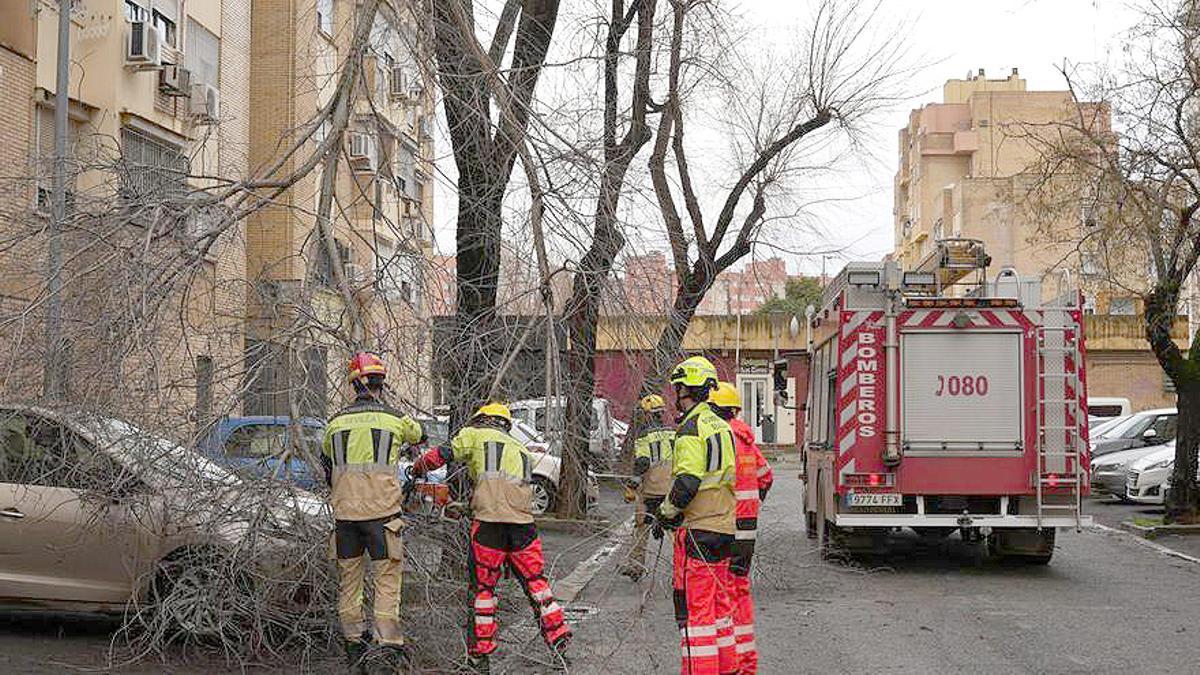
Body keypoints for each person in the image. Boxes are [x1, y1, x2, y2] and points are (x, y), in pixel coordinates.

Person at [411, 402, 571, 673]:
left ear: (482, 420)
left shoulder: (474, 434)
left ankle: (479, 658)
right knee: (537, 586)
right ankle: (559, 642)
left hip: (489, 529)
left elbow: (441, 455)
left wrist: (416, 468)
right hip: (524, 528)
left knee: (483, 592)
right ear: (505, 424)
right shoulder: (520, 449)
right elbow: (504, 490)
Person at [322, 352, 425, 670]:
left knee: (349, 585)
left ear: (354, 384)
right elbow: (419, 435)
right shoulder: (395, 419)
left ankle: (354, 650)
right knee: (386, 585)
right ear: (382, 382)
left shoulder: (334, 423)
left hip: (346, 520)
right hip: (383, 518)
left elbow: (327, 462)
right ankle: (389, 650)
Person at [656, 356, 737, 675]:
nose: (675, 393)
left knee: (697, 616)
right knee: (720, 611)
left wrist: (666, 513)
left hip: (699, 530)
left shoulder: (692, 427)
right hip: (724, 528)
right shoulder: (721, 425)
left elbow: (688, 481)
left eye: (678, 388)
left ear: (685, 389)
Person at [708, 382, 774, 675]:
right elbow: (766, 476)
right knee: (740, 588)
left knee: (720, 592)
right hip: (748, 524)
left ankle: (727, 660)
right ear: (734, 408)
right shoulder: (747, 439)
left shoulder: (717, 436)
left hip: (724, 521)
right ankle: (746, 663)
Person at [619, 394, 676, 581]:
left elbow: (642, 462)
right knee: (674, 530)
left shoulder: (644, 435)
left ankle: (636, 566)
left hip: (651, 489)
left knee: (641, 527)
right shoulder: (673, 433)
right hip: (670, 489)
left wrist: (632, 485)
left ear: (647, 414)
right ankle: (682, 567)